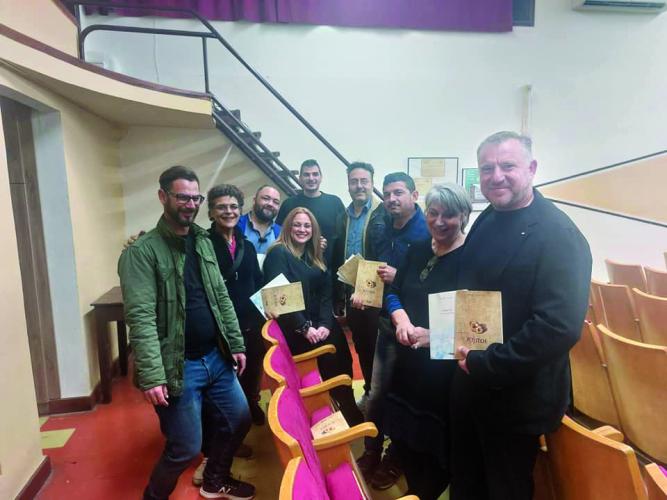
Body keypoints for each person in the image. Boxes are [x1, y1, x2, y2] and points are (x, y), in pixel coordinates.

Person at [450, 131, 592, 500]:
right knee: (467, 483)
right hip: (471, 381)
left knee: (504, 489)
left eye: (507, 166)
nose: (496, 176)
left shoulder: (559, 235)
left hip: (517, 398)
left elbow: (557, 328)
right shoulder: (487, 219)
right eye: (487, 168)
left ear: (531, 168)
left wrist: (486, 364)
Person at [118, 166, 255, 500]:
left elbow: (220, 296)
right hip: (178, 365)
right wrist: (152, 375)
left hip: (216, 357)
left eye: (196, 198)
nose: (190, 204)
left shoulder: (203, 240)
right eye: (183, 197)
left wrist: (236, 343)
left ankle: (215, 479)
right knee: (184, 448)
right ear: (163, 196)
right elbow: (141, 318)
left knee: (239, 419)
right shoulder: (141, 253)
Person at [383, 183, 472, 500]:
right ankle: (413, 489)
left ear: (464, 216)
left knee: (436, 453)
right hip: (407, 365)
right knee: (405, 441)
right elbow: (393, 293)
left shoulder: (472, 258)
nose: (439, 221)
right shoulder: (418, 248)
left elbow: (479, 329)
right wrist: (402, 321)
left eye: (449, 215)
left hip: (443, 374)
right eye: (433, 213)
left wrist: (433, 338)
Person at [356, 172, 429, 490]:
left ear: (414, 195)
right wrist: (363, 290)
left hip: (419, 331)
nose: (391, 199)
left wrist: (399, 276)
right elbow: (374, 271)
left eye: (398, 192)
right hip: (388, 322)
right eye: (387, 194)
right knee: (377, 395)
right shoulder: (381, 226)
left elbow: (431, 283)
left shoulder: (428, 230)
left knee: (406, 398)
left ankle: (395, 457)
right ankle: (371, 450)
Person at [263, 207, 363, 426]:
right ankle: (331, 417)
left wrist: (326, 324)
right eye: (297, 225)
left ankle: (346, 407)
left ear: (313, 230)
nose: (302, 229)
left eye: (307, 225)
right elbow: (280, 299)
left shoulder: (314, 255)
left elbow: (326, 293)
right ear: (288, 227)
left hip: (321, 323)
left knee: (342, 353)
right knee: (328, 362)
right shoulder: (278, 254)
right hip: (295, 327)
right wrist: (305, 328)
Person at [334, 162, 384, 408]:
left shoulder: (382, 213)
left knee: (379, 348)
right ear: (348, 185)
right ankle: (368, 390)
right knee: (362, 346)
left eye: (364, 181)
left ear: (372, 183)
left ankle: (381, 397)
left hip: (377, 294)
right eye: (354, 181)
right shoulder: (343, 216)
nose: (359, 186)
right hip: (351, 294)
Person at [276, 159, 346, 271]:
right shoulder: (289, 204)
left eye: (315, 174)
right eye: (306, 175)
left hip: (330, 268)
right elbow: (279, 236)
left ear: (321, 177)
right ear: (300, 178)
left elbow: (343, 236)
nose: (311, 178)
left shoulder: (335, 202)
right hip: (295, 267)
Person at [237, 185, 281, 256]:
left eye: (276, 202)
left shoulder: (281, 234)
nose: (270, 204)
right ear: (254, 200)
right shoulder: (236, 224)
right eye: (266, 198)